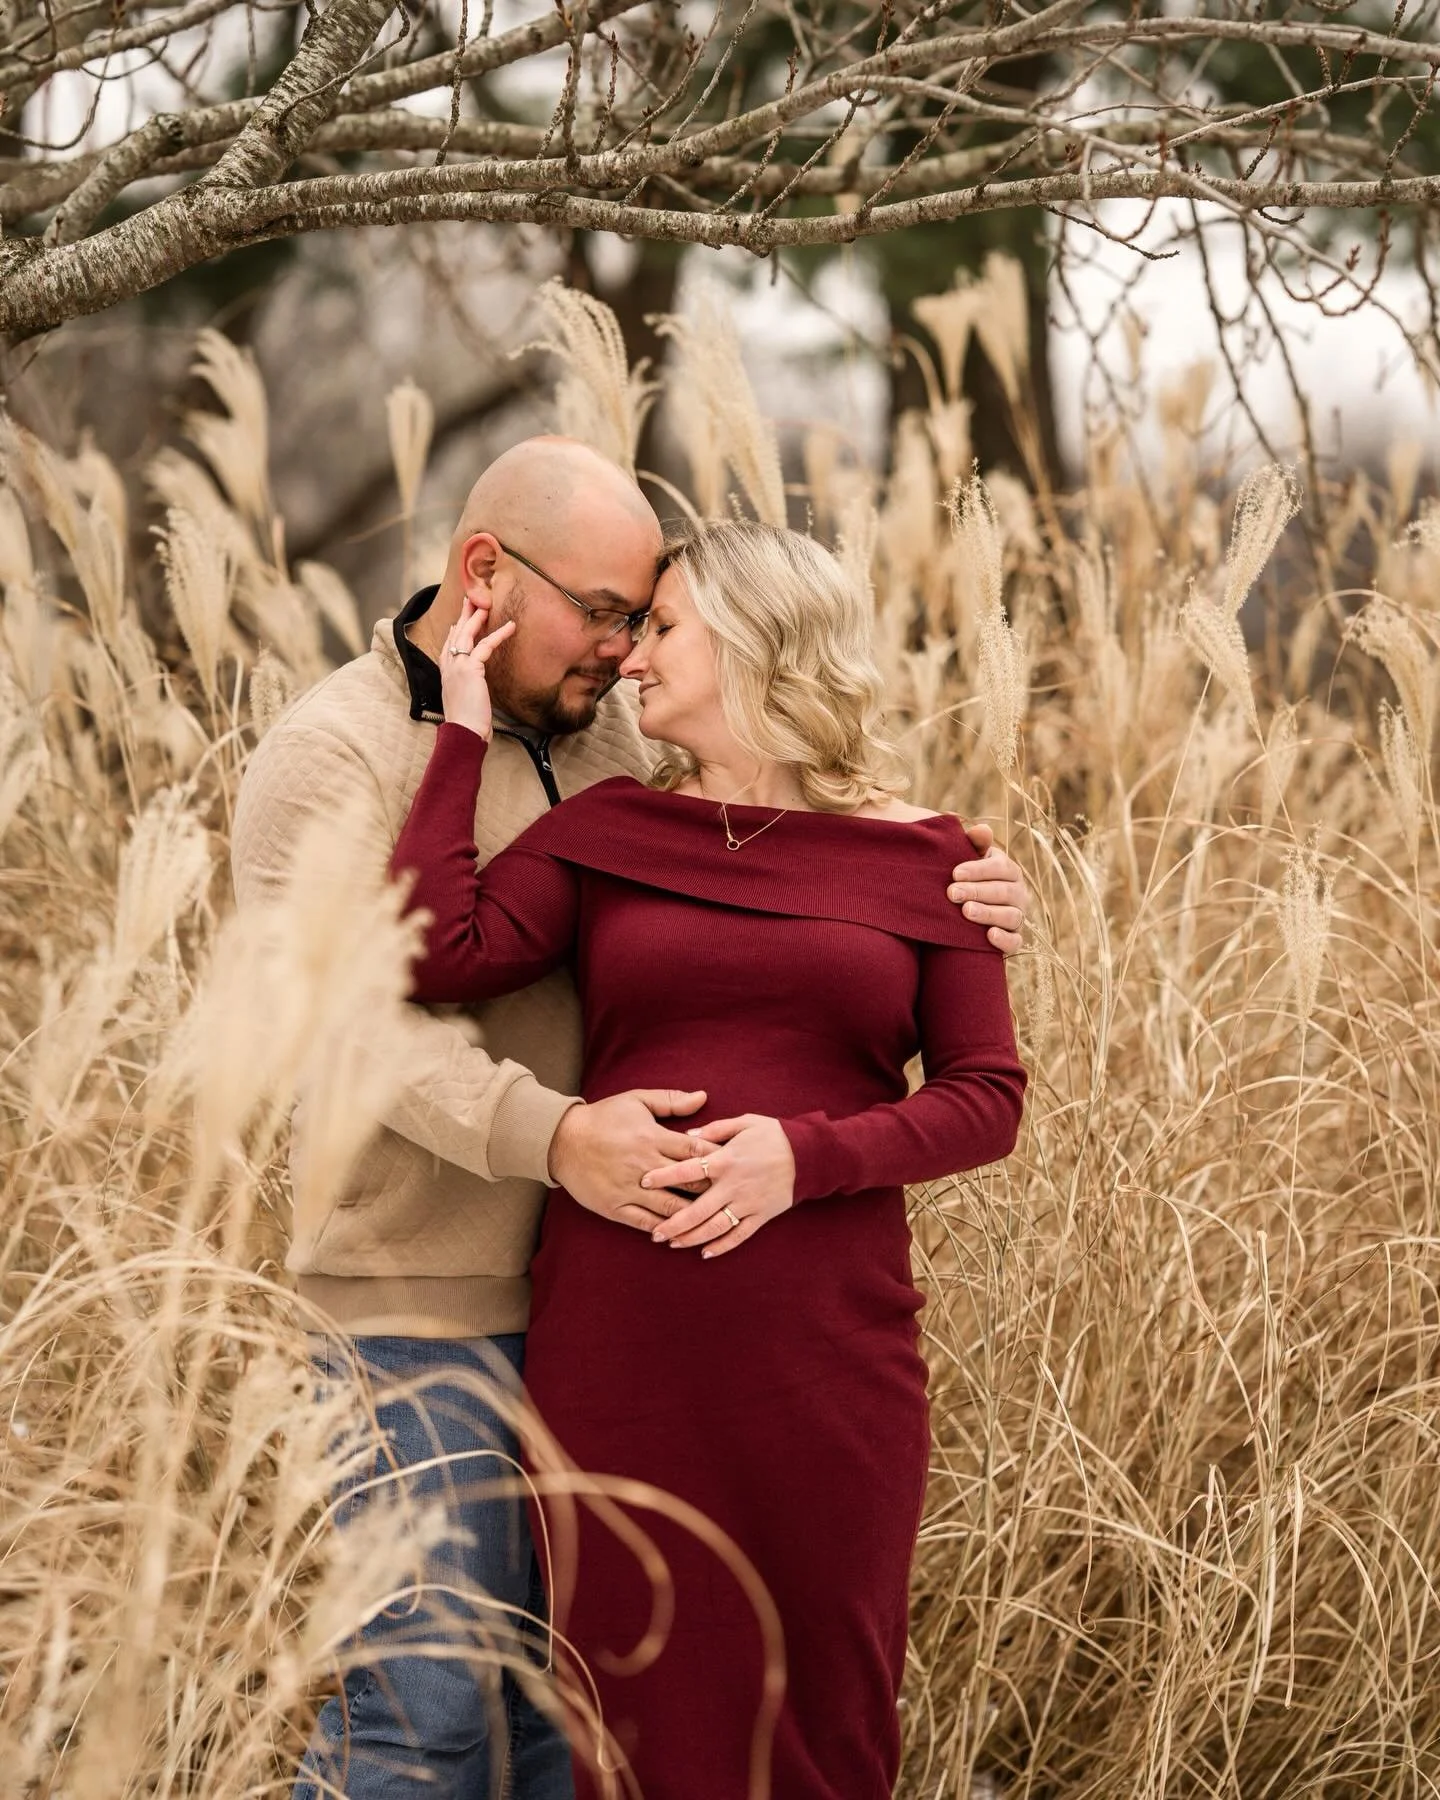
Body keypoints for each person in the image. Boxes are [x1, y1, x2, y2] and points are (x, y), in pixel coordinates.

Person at [231, 437, 1032, 1800]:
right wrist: (556, 1136)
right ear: (487, 574)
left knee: (589, 1728)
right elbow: (367, 1005)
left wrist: (961, 893)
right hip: (422, 1303)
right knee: (426, 1715)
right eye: (609, 614)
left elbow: (974, 1079)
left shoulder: (616, 743)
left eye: (651, 621)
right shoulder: (340, 755)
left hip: (686, 1308)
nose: (627, 651)